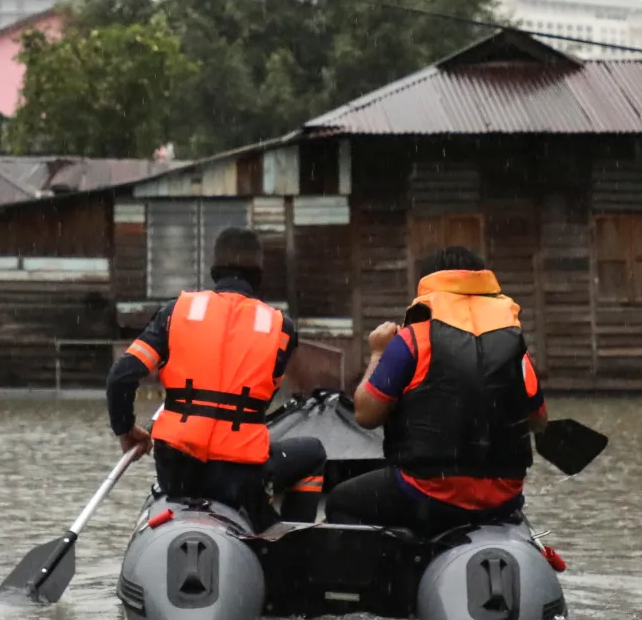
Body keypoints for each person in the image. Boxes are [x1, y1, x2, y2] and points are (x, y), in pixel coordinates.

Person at [105, 227, 325, 526]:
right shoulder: (282, 329)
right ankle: (294, 539)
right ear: (259, 276)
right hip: (236, 476)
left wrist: (126, 429)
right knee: (313, 454)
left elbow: (120, 377)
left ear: (213, 272)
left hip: (177, 472)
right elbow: (261, 402)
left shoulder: (175, 311)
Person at [324, 245, 545, 538]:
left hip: (429, 493)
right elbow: (539, 421)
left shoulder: (414, 338)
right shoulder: (512, 341)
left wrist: (378, 352)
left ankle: (393, 574)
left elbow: (365, 414)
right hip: (503, 496)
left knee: (341, 501)